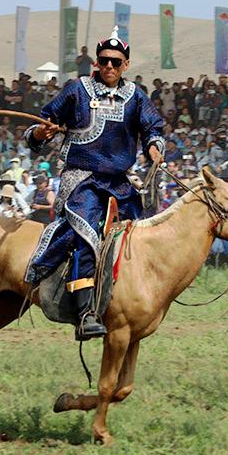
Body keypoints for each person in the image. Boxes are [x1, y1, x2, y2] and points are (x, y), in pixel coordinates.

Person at [24, 26, 164, 340]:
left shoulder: (136, 97)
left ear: (126, 65)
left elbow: (153, 129)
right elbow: (43, 122)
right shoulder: (77, 90)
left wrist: (154, 147)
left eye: (116, 61)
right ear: (96, 63)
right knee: (87, 235)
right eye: (104, 60)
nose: (110, 66)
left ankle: (131, 301)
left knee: (135, 242)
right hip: (82, 181)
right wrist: (39, 133)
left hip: (120, 184)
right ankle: (86, 312)